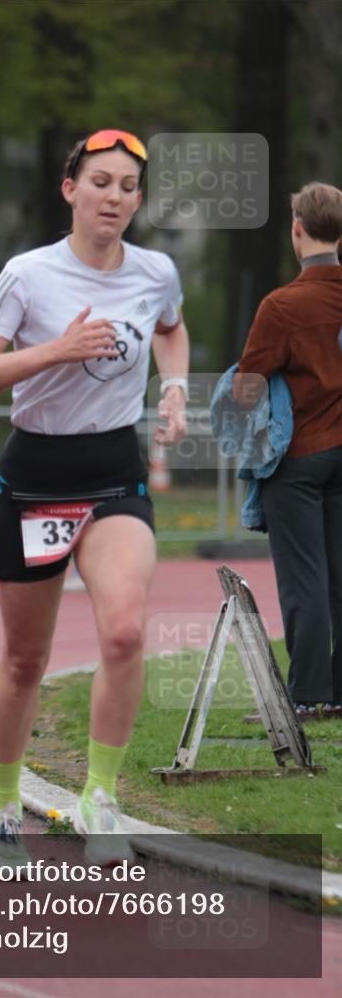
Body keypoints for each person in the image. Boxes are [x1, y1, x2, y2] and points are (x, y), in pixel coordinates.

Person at [0, 129, 189, 865]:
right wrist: (54, 350)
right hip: (34, 479)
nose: (113, 196)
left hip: (113, 471)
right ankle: (0, 799)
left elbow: (171, 331)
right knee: (26, 660)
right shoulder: (27, 275)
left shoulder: (155, 271)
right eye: (100, 182)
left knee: (122, 633)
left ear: (136, 201)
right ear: (69, 191)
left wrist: (173, 385)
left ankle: (100, 797)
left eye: (126, 186)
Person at [234, 182, 342, 722]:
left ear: (297, 229)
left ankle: (306, 696)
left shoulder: (282, 305)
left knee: (305, 580)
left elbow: (247, 388)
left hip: (299, 457)